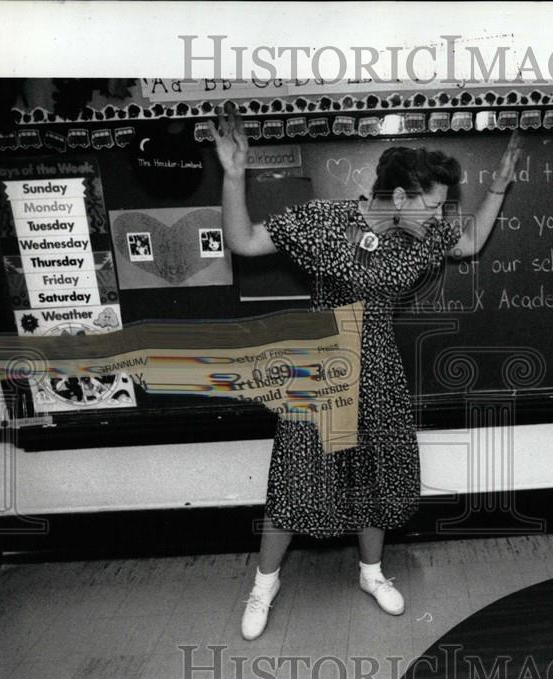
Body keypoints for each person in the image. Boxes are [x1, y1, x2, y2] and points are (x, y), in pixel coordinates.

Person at [208, 104, 522, 640]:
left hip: (377, 365)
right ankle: (264, 583)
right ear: (399, 198)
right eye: (434, 206)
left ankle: (371, 573)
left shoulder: (420, 237)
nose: (441, 218)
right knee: (297, 477)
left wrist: (497, 189)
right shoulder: (326, 220)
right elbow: (243, 241)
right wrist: (234, 175)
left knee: (376, 475)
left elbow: (468, 243)